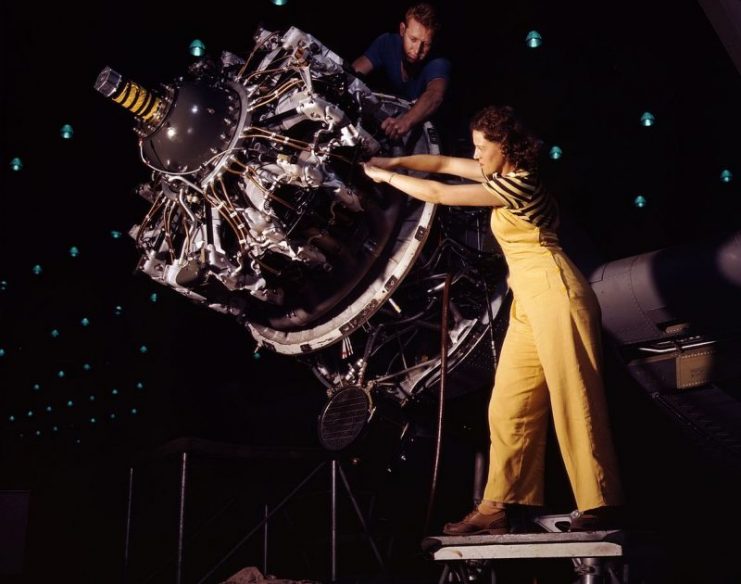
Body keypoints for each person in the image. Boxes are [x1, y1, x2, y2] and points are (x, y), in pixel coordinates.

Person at [363, 105, 624, 534]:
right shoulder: (499, 173)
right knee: (508, 405)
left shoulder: (517, 185)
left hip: (555, 289)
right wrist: (393, 160)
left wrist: (384, 178)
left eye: (483, 147)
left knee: (574, 394)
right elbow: (443, 164)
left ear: (505, 148)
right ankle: (498, 506)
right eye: (476, 146)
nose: (477, 154)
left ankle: (601, 500)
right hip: (527, 298)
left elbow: (442, 193)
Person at [352, 3, 451, 140]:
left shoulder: (438, 62)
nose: (417, 50)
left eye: (426, 44)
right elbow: (353, 74)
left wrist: (406, 121)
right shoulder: (386, 43)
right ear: (402, 30)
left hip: (425, 133)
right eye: (413, 39)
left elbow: (435, 95)